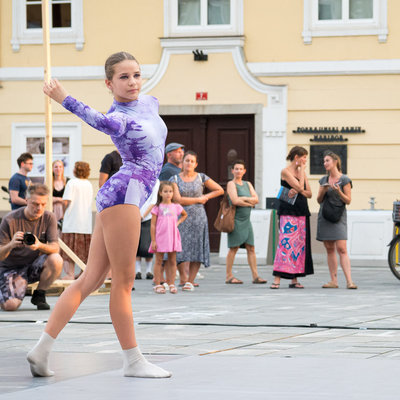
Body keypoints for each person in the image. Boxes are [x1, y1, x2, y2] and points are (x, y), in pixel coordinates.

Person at [27, 51, 171, 379]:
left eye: (136, 74)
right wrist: (63, 97)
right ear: (109, 83)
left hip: (127, 194)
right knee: (122, 282)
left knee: (90, 278)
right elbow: (96, 119)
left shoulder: (150, 103)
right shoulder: (118, 118)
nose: (132, 82)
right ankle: (133, 361)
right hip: (124, 193)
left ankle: (41, 350)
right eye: (123, 77)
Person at [0, 183, 63, 311]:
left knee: (56, 259)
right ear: (26, 200)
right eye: (35, 204)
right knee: (10, 306)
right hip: (11, 268)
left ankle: (39, 294)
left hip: (33, 266)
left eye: (43, 204)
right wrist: (11, 244)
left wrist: (39, 245)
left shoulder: (49, 217)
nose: (39, 208)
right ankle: (8, 290)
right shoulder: (10, 220)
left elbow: (55, 247)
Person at [170, 150, 223, 291]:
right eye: (187, 160)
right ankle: (182, 277)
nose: (189, 163)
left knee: (196, 248)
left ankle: (190, 281)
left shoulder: (201, 177)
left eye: (192, 161)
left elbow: (219, 190)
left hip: (198, 217)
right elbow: (177, 199)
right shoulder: (174, 179)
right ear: (182, 163)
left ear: (196, 164)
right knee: (179, 247)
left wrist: (207, 197)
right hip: (181, 216)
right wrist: (198, 199)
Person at [271, 146, 314, 289]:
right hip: (288, 211)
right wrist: (301, 177)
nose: (305, 160)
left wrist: (300, 187)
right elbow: (302, 188)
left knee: (298, 246)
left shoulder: (302, 174)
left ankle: (294, 279)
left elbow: (309, 193)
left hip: (301, 211)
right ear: (296, 157)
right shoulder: (286, 171)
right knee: (285, 243)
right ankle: (277, 278)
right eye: (303, 157)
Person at [316, 151, 357, 289]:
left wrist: (338, 191)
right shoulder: (323, 180)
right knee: (329, 249)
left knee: (342, 248)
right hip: (325, 216)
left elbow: (348, 200)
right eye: (324, 161)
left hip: (339, 217)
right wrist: (323, 190)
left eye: (327, 161)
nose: (324, 163)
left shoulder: (345, 180)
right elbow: (318, 200)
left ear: (335, 162)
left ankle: (349, 281)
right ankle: (333, 281)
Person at [225, 160, 266, 285]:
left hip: (246, 221)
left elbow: (256, 199)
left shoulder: (248, 184)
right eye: (236, 169)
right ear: (232, 171)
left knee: (251, 248)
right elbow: (235, 201)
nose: (238, 171)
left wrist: (244, 199)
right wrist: (249, 202)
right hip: (236, 220)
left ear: (244, 171)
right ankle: (229, 276)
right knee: (234, 248)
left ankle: (255, 276)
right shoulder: (231, 184)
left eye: (240, 169)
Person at [149, 181, 187, 294]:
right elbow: (153, 224)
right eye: (165, 191)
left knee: (172, 260)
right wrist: (153, 240)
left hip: (172, 236)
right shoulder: (157, 207)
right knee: (159, 260)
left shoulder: (176, 206)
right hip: (160, 236)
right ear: (160, 193)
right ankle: (157, 284)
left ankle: (171, 283)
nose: (168, 194)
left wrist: (178, 222)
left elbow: (184, 214)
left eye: (170, 191)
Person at [60, 161, 93, 280]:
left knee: (70, 250)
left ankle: (70, 274)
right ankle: (83, 272)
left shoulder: (71, 183)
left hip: (72, 221)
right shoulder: (89, 184)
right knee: (83, 251)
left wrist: (63, 213)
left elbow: (66, 201)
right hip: (85, 223)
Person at [135, 179, 160, 281]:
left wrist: (143, 215)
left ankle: (149, 270)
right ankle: (138, 270)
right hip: (135, 215)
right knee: (137, 245)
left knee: (146, 245)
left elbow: (153, 201)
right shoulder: (136, 179)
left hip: (147, 217)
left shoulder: (155, 181)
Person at [52, 160, 69, 224]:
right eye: (56, 167)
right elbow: (46, 198)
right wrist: (60, 199)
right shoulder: (49, 182)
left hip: (65, 211)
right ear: (52, 169)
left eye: (60, 167)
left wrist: (54, 199)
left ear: (63, 168)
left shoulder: (68, 182)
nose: (58, 169)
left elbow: (69, 200)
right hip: (52, 210)